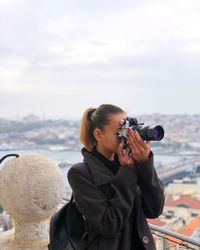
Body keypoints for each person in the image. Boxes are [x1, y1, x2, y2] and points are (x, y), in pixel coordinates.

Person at [67, 104, 165, 250]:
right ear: (98, 135)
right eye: (121, 132)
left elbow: (154, 209)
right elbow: (109, 225)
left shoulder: (128, 164)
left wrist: (145, 164)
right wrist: (128, 171)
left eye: (130, 131)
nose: (126, 137)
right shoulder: (80, 173)